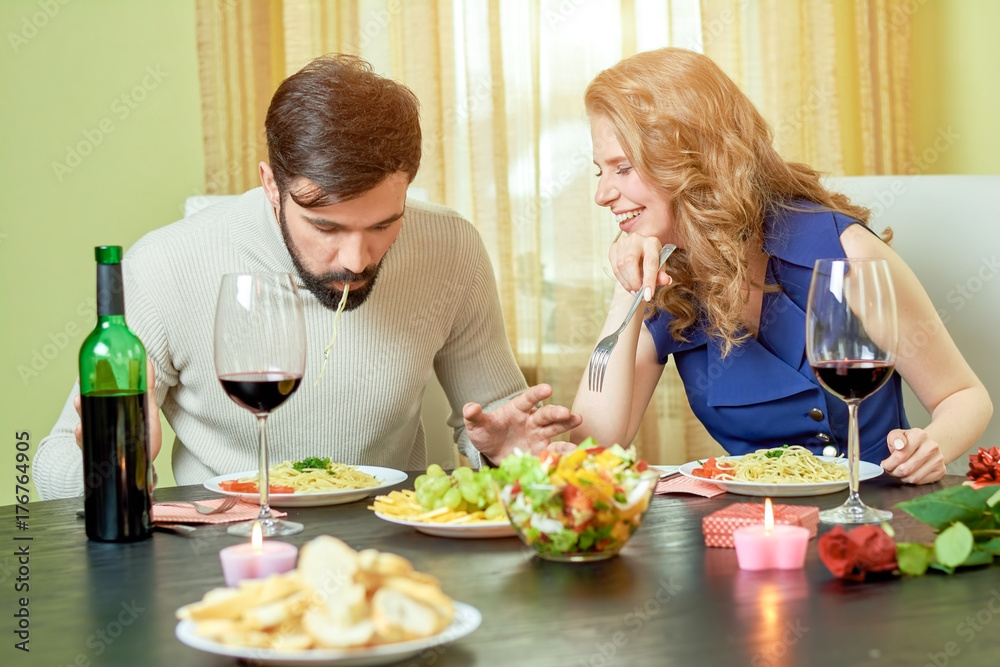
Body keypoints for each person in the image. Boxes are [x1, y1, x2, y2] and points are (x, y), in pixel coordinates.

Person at [35, 54, 580, 500]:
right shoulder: (164, 266)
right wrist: (115, 462)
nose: (357, 258)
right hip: (229, 559)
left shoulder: (450, 247)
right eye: (326, 226)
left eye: (384, 224)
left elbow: (495, 424)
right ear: (271, 186)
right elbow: (52, 463)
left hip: (393, 549)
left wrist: (501, 453)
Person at [570, 48, 991, 485]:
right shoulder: (669, 280)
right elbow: (595, 446)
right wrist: (627, 292)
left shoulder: (845, 254)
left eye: (623, 168)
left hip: (872, 514)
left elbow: (964, 396)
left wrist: (933, 446)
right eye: (600, 172)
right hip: (751, 531)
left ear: (692, 157)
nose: (602, 195)